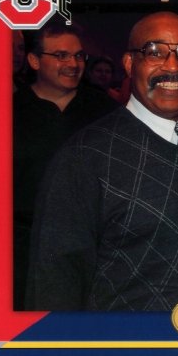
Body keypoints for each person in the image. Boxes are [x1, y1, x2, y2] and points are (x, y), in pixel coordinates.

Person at [25, 12, 178, 311]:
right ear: (129, 64)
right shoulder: (85, 156)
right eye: (155, 52)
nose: (173, 66)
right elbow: (55, 283)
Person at [13, 20, 117, 310]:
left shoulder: (106, 112)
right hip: (22, 248)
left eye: (79, 55)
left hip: (92, 248)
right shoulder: (6, 111)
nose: (73, 64)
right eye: (61, 55)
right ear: (35, 60)